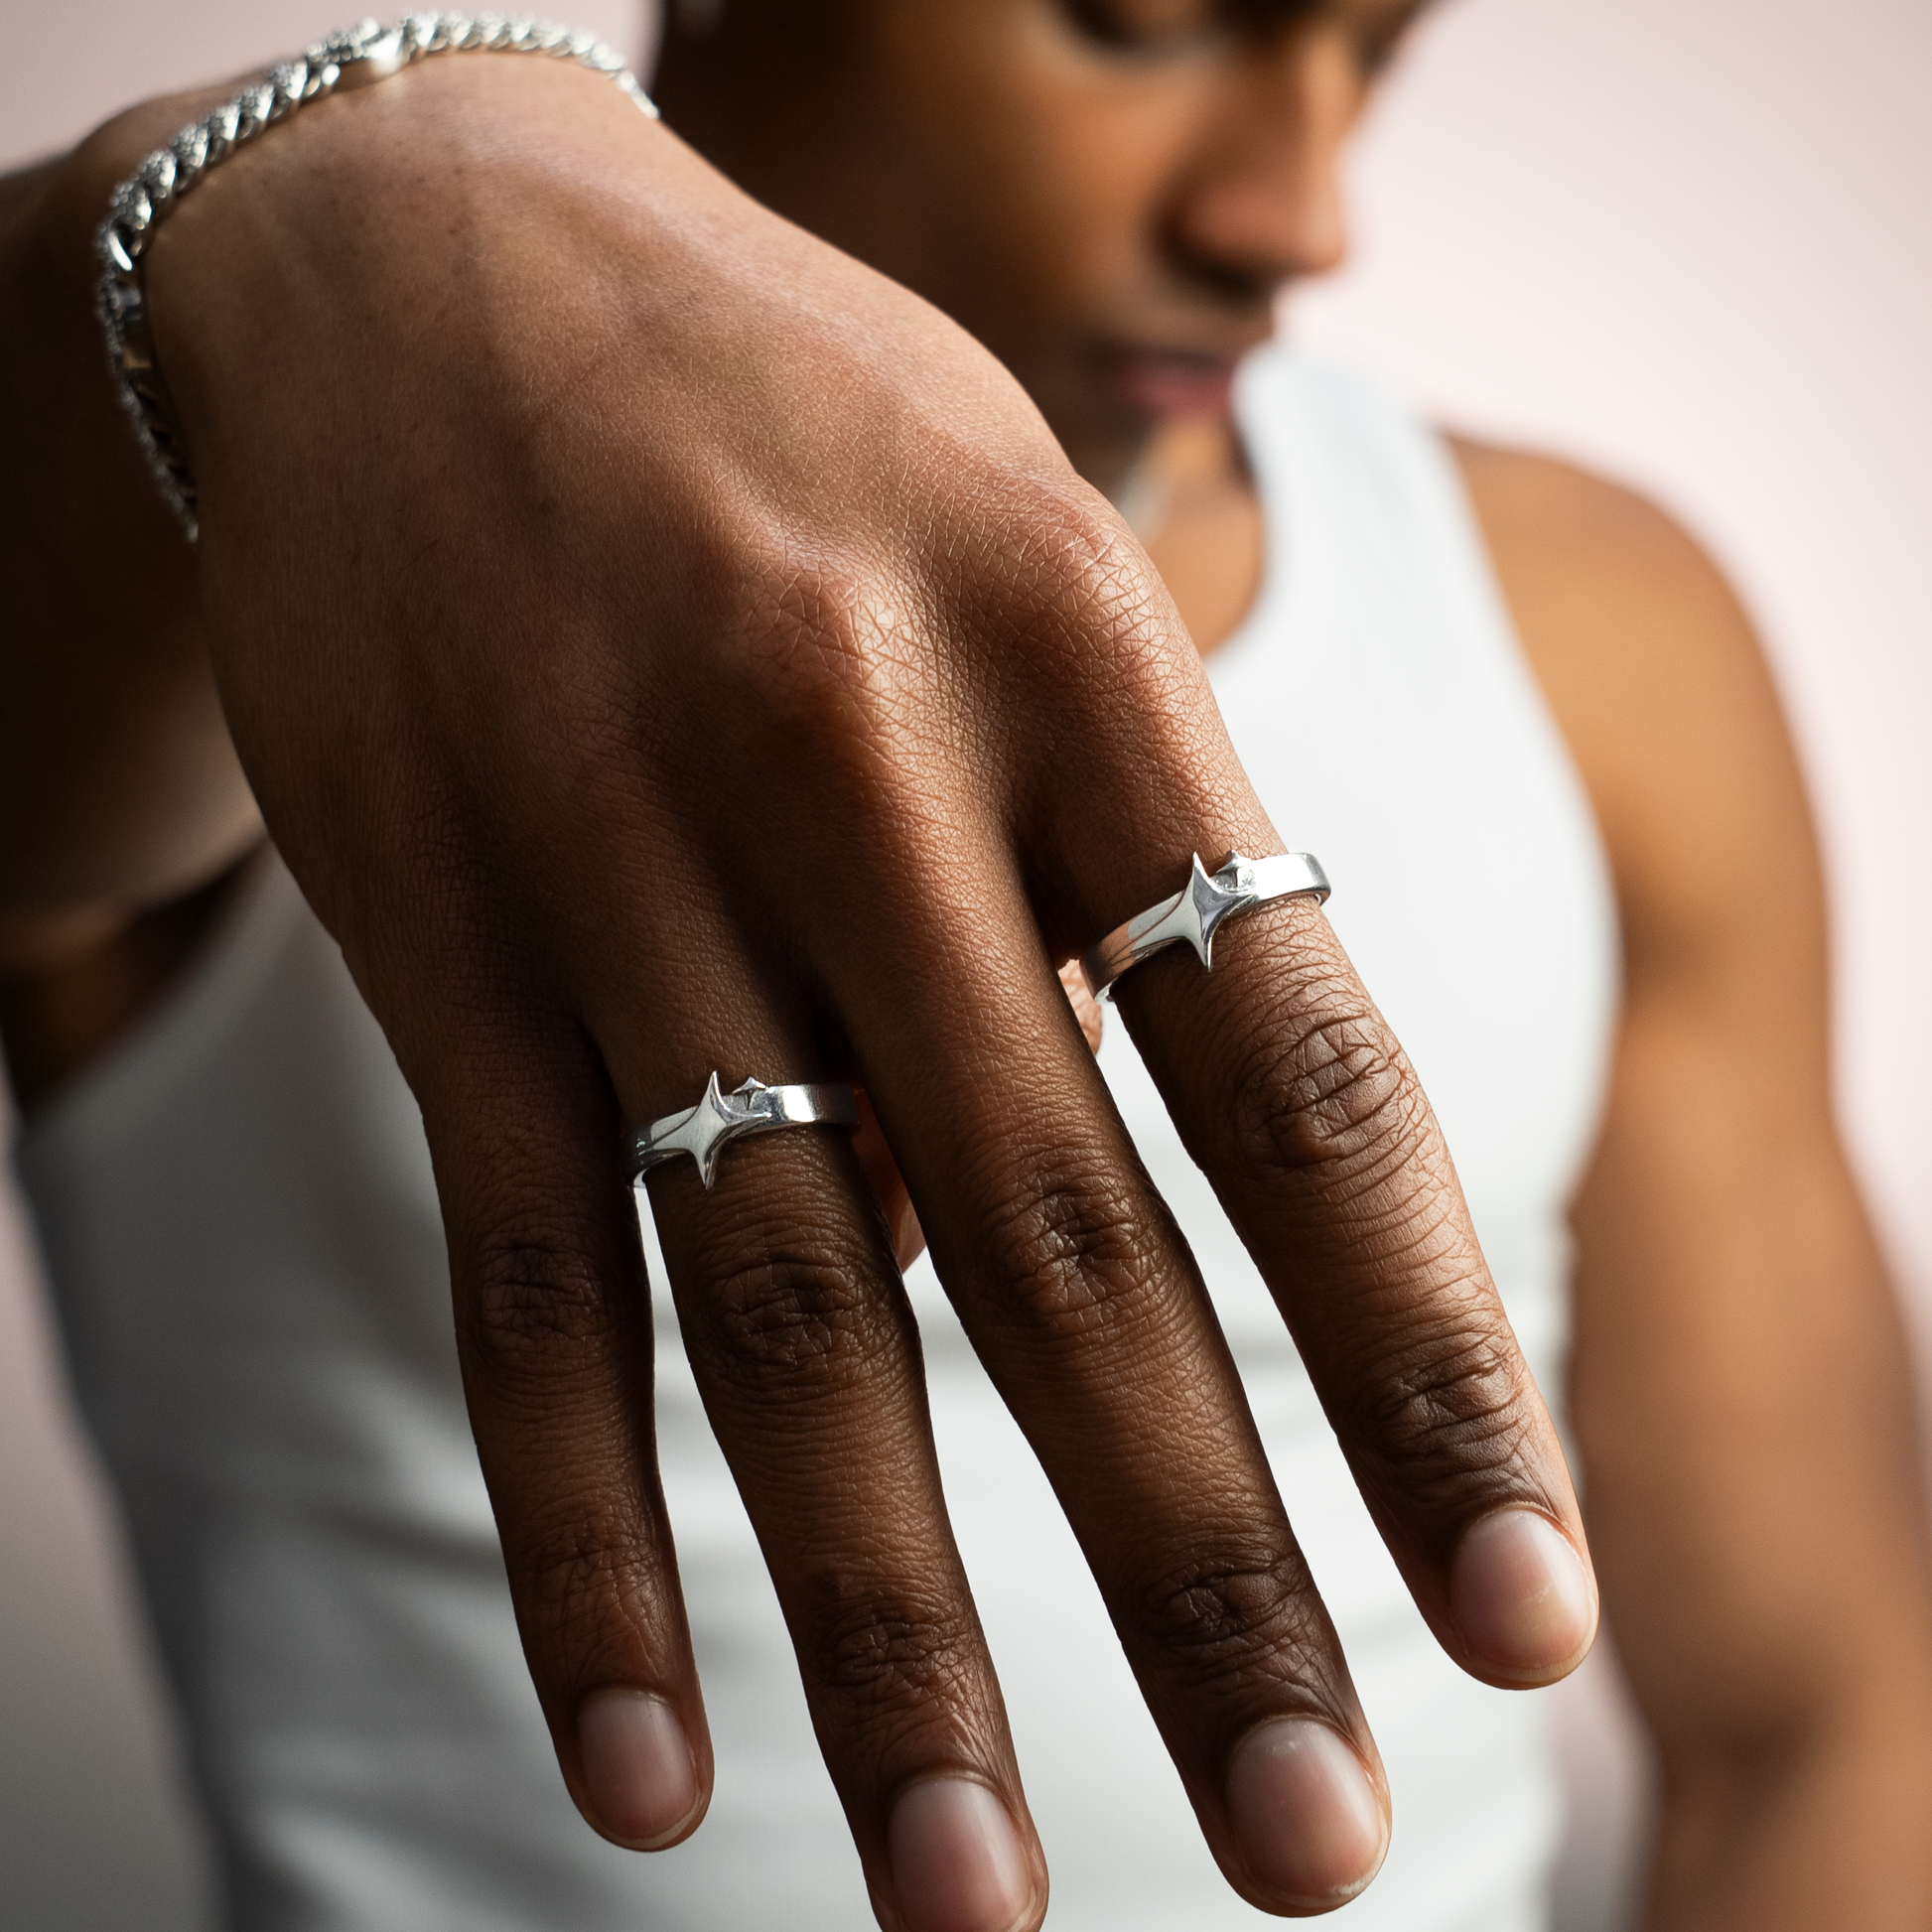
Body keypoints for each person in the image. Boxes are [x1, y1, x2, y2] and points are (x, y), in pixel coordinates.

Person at [3, 1, 1930, 1927]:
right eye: (1142, 22)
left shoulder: (1590, 633)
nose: (1298, 214)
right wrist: (325, 196)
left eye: (1372, 52)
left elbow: (1817, 1719)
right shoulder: (257, 608)